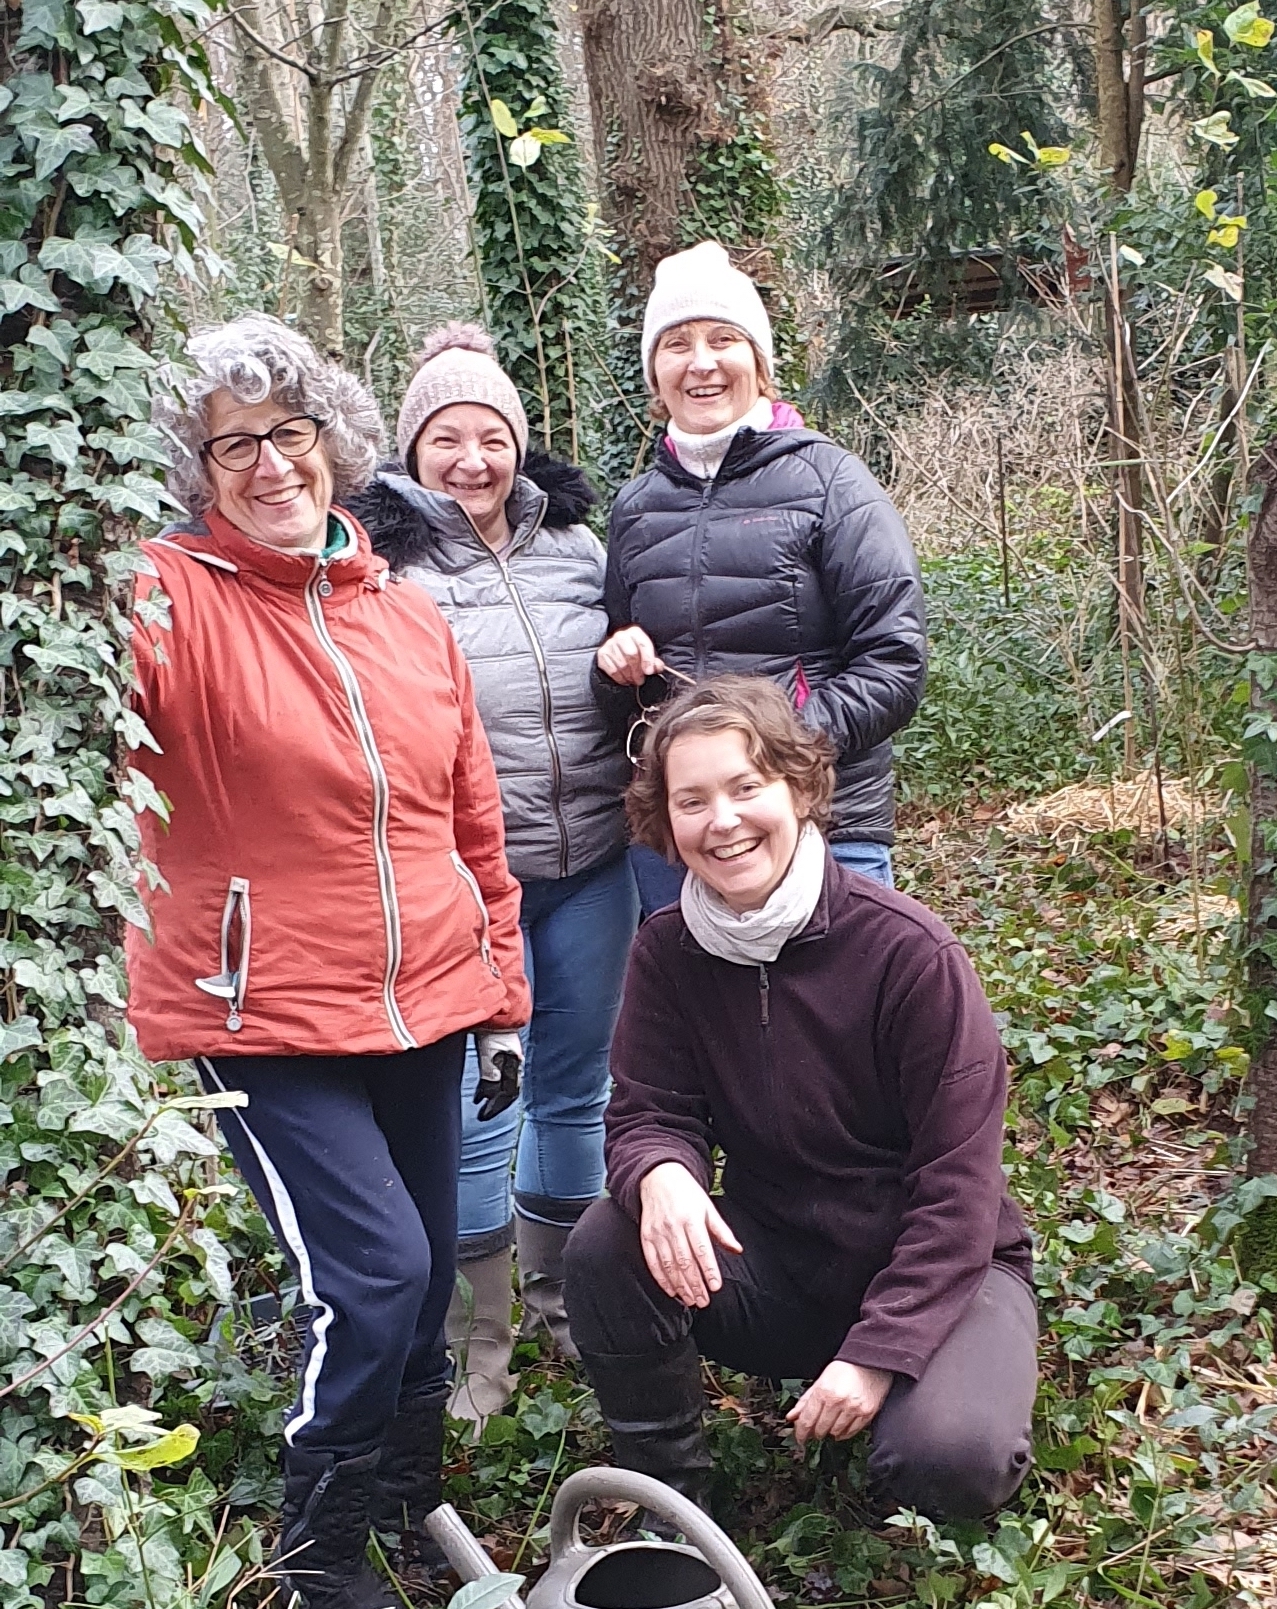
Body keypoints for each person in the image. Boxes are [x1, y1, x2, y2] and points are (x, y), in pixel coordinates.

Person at [133, 315, 532, 1609]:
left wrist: (506, 997)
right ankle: (320, 1549)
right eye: (231, 444)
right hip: (262, 1017)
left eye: (289, 433)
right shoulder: (168, 596)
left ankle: (405, 1493)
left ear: (334, 442)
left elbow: (474, 819)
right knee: (374, 1281)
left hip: (425, 1002)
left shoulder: (408, 618)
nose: (267, 464)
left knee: (419, 1294)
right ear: (197, 471)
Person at [565, 676, 1039, 1522]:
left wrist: (877, 1353)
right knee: (608, 1238)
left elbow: (958, 1191)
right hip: (782, 1267)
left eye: (747, 787)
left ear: (799, 787)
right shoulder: (667, 950)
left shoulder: (910, 954)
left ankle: (921, 1399)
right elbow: (646, 1112)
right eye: (693, 799)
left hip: (949, 1272)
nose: (723, 821)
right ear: (663, 823)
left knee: (951, 1458)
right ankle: (675, 1506)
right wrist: (661, 1171)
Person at [347, 326, 637, 1422]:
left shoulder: (575, 545)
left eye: (492, 436)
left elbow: (626, 656)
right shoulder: (382, 565)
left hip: (596, 858)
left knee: (577, 1083)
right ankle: (479, 1345)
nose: (472, 459)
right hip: (473, 881)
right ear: (413, 450)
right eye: (447, 437)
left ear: (520, 445)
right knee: (482, 1101)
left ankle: (568, 1301)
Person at [596, 240, 926, 909]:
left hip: (825, 825)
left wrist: (771, 756)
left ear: (760, 363)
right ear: (656, 375)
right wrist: (613, 669)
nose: (702, 362)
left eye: (723, 338)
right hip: (686, 843)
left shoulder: (831, 481)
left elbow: (895, 664)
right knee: (703, 1017)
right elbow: (624, 698)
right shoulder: (635, 508)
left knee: (840, 1015)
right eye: (676, 344)